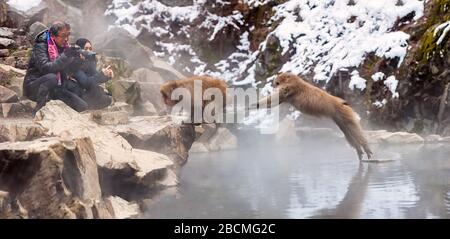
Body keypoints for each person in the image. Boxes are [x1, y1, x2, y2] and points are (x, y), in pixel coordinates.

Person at [23, 21, 88, 114]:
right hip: (34, 86)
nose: (66, 39)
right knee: (51, 77)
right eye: (63, 35)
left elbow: (69, 71)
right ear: (53, 36)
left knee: (82, 106)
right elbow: (46, 68)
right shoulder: (41, 46)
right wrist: (65, 56)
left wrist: (79, 60)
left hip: (55, 87)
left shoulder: (64, 47)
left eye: (68, 35)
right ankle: (38, 110)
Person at [65, 38, 114, 110]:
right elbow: (86, 82)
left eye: (90, 48)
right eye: (86, 48)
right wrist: (101, 75)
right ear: (80, 49)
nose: (88, 51)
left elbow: (95, 76)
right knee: (97, 93)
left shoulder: (90, 61)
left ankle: (90, 104)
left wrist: (107, 76)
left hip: (85, 91)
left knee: (107, 99)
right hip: (75, 91)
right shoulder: (75, 62)